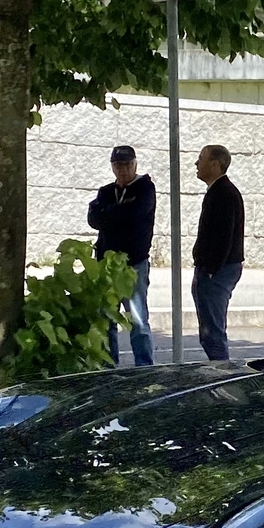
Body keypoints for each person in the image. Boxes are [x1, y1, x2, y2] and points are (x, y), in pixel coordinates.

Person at [87, 144, 156, 365]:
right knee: (106, 319)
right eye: (118, 165)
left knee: (137, 319)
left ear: (135, 164)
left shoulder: (145, 189)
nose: (123, 170)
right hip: (106, 266)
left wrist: (110, 213)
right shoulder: (106, 192)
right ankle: (109, 367)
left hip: (134, 264)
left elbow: (134, 216)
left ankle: (144, 368)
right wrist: (114, 214)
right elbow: (93, 219)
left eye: (127, 165)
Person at [191, 143, 245, 362]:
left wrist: (211, 269)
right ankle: (219, 370)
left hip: (217, 272)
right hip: (214, 270)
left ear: (215, 164)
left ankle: (221, 375)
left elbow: (223, 236)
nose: (197, 163)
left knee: (212, 332)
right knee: (210, 330)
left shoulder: (223, 193)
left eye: (201, 158)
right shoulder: (219, 191)